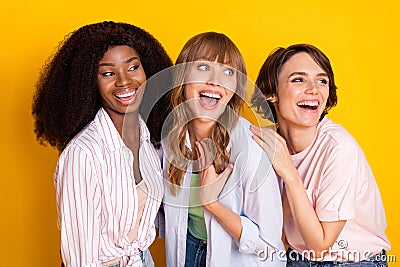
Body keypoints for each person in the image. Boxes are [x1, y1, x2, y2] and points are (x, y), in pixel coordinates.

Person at [32, 21, 172, 267]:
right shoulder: (83, 153)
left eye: (133, 68)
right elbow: (79, 257)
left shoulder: (148, 136)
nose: (124, 81)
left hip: (143, 260)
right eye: (108, 73)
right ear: (88, 82)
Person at [250, 43, 391, 266]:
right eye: (298, 79)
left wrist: (290, 174)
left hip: (352, 262)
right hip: (295, 259)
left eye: (322, 81)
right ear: (271, 94)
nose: (314, 89)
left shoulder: (339, 148)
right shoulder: (268, 144)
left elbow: (320, 246)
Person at [158, 32, 285, 267]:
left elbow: (268, 245)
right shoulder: (170, 140)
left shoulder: (252, 150)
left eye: (228, 72)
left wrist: (211, 203)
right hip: (185, 252)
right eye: (203, 67)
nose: (215, 81)